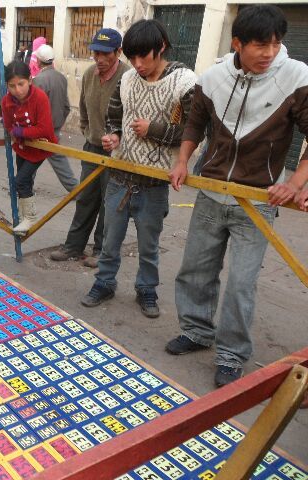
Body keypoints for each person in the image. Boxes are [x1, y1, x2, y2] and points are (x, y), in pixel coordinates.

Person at [166, 5, 308, 387]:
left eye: (277, 44)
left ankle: (231, 355)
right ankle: (196, 332)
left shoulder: (296, 77)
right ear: (237, 43)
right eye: (261, 45)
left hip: (259, 200)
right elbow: (195, 122)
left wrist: (295, 185)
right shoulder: (213, 78)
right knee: (195, 270)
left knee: (242, 283)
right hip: (212, 191)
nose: (270, 53)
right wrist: (183, 160)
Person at [80, 20, 197, 319]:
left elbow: (195, 129)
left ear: (160, 48)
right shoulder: (129, 79)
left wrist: (154, 129)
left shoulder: (184, 81)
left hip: (154, 183)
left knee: (149, 246)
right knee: (109, 241)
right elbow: (114, 115)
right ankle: (104, 283)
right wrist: (113, 136)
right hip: (120, 177)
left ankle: (147, 289)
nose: (137, 64)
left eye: (143, 56)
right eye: (132, 58)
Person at [51, 29, 130, 268]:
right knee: (85, 197)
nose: (99, 58)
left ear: (118, 52)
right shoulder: (89, 75)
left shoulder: (129, 78)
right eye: (96, 52)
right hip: (92, 147)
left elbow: (133, 117)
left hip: (118, 152)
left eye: (105, 53)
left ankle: (101, 250)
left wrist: (119, 138)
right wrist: (89, 133)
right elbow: (84, 110)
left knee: (110, 202)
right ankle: (73, 246)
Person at [1, 61, 57, 235]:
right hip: (22, 147)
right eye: (12, 86)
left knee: (20, 181)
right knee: (25, 183)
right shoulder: (6, 101)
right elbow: (8, 125)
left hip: (41, 148)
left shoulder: (40, 97)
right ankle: (25, 218)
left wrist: (20, 131)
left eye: (21, 84)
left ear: (30, 80)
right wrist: (15, 132)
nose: (17, 90)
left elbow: (45, 128)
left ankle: (30, 217)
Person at [32, 44, 78, 192]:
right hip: (54, 128)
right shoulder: (61, 78)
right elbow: (66, 106)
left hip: (41, 129)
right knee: (58, 161)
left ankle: (23, 187)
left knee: (30, 158)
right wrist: (58, 123)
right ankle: (76, 189)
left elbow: (35, 109)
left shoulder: (38, 80)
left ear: (38, 61)